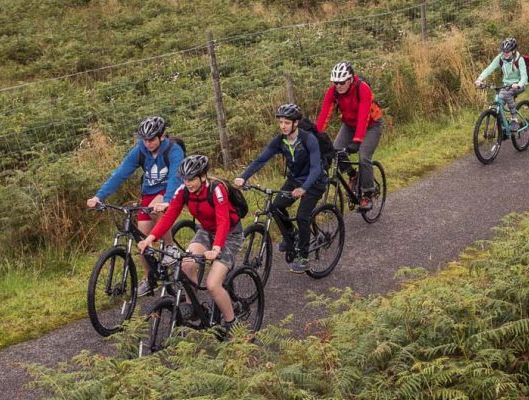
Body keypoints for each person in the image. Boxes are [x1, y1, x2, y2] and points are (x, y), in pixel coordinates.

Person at [138, 154, 242, 327]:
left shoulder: (216, 189)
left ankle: (233, 324)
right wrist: (150, 238)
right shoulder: (184, 190)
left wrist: (216, 249)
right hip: (206, 231)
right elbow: (169, 216)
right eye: (185, 178)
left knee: (213, 284)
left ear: (203, 176)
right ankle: (192, 306)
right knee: (186, 264)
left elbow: (223, 220)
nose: (188, 182)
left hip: (230, 234)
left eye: (192, 178)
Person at [86, 115, 185, 296]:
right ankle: (150, 279)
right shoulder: (139, 151)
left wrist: (167, 200)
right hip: (148, 193)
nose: (148, 143)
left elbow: (175, 178)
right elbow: (120, 174)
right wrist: (99, 196)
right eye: (145, 140)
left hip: (170, 192)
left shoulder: (174, 150)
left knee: (157, 209)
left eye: (152, 139)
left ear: (162, 136)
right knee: (142, 242)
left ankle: (170, 247)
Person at [235, 104, 327, 275]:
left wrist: (303, 188)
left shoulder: (308, 139)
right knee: (275, 207)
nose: (283, 126)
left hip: (314, 182)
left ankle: (304, 257)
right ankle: (292, 235)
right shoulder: (280, 141)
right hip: (294, 180)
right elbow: (261, 160)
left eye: (286, 122)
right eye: (281, 122)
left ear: (296, 123)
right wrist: (244, 176)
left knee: (302, 216)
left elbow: (316, 168)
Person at [315, 61, 385, 211]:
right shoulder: (333, 91)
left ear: (350, 79)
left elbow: (364, 116)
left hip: (372, 124)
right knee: (336, 150)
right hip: (349, 125)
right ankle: (353, 175)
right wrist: (315, 136)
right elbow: (324, 114)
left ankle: (367, 194)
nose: (338, 85)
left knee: (364, 156)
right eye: (335, 82)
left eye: (341, 82)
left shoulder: (362, 89)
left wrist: (357, 140)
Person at [475, 37, 529, 131]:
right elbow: (490, 68)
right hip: (506, 84)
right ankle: (503, 127)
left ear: (513, 51)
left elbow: (524, 76)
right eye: (504, 51)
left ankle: (514, 119)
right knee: (498, 99)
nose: (505, 53)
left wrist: (518, 84)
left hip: (519, 84)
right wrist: (480, 79)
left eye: (507, 52)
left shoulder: (519, 59)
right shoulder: (501, 58)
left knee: (507, 94)